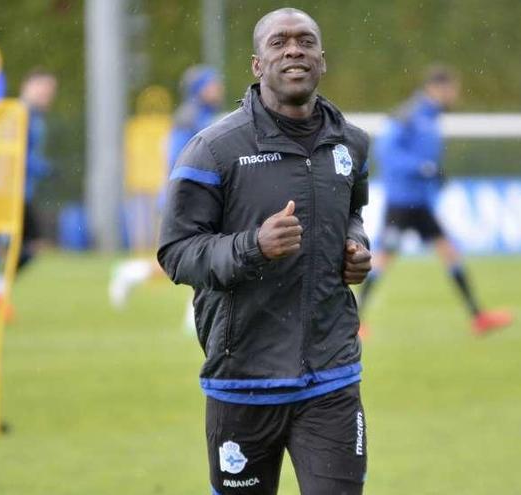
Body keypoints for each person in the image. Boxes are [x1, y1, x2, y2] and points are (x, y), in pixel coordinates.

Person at [158, 8, 371, 494]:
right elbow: (176, 251)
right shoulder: (213, 150)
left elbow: (353, 214)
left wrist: (357, 246)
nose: (293, 49)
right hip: (242, 379)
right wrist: (252, 247)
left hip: (331, 376)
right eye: (279, 42)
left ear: (322, 60)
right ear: (257, 65)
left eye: (305, 41)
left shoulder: (352, 145)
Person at [356, 66, 512, 335]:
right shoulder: (409, 114)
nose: (454, 95)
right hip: (402, 202)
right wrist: (423, 168)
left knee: (449, 251)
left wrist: (434, 176)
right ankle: (354, 322)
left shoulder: (432, 116)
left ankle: (477, 316)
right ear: (435, 88)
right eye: (451, 89)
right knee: (382, 258)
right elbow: (386, 152)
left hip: (421, 202)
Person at [108, 66, 225, 327]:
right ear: (198, 89)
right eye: (212, 84)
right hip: (184, 199)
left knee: (200, 253)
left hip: (197, 197)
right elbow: (179, 160)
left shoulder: (201, 116)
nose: (218, 89)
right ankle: (130, 274)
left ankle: (192, 316)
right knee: (182, 258)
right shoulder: (190, 119)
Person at [0, 69, 58, 324]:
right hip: (5, 191)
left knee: (19, 245)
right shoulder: (19, 114)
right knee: (13, 245)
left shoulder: (34, 116)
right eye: (42, 88)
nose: (47, 94)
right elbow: (10, 153)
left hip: (17, 191)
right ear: (27, 85)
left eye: (50, 90)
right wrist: (41, 167)